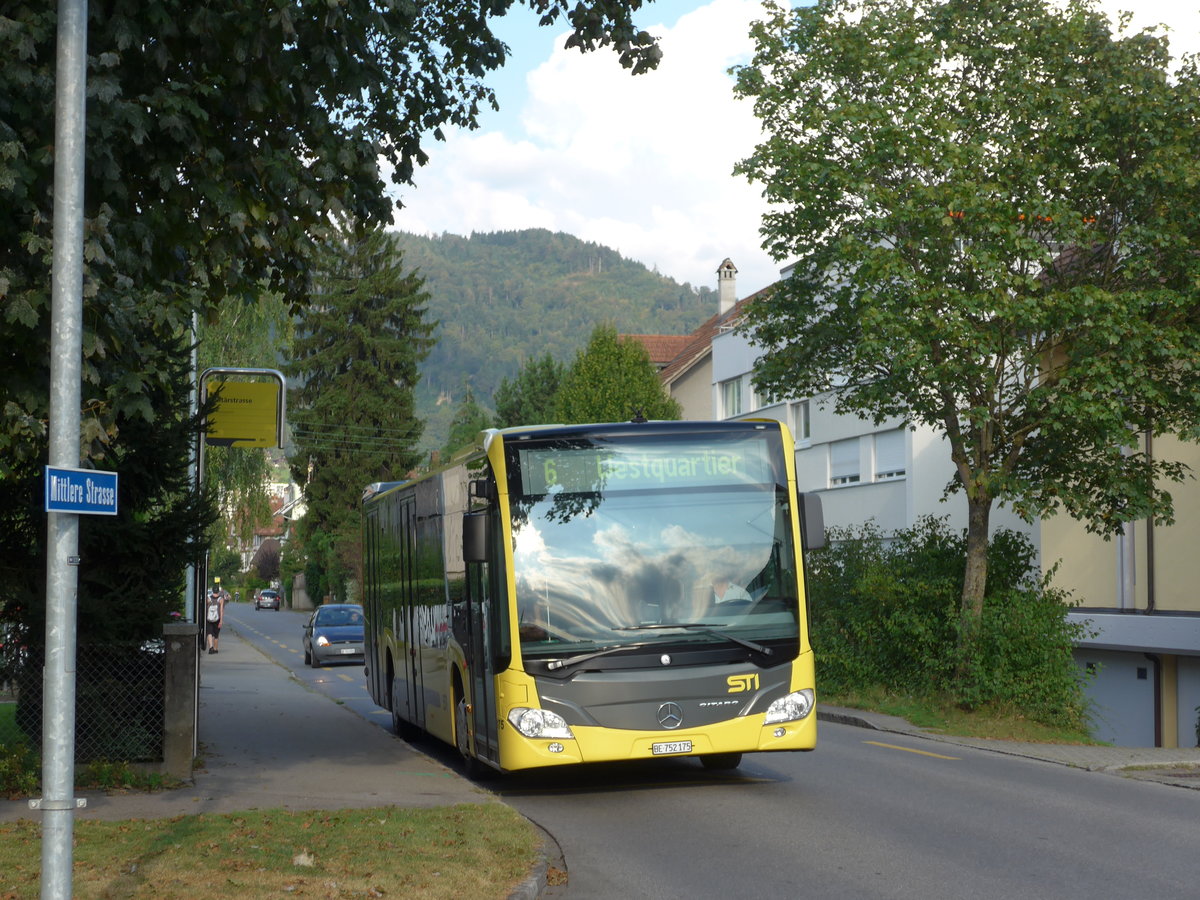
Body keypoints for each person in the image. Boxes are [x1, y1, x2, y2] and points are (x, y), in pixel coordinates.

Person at [204, 587, 224, 654]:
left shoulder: (208, 599)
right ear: (218, 591)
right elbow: (221, 611)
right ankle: (215, 649)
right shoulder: (221, 599)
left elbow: (205, 608)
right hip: (217, 619)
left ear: (212, 591)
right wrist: (221, 621)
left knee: (209, 633)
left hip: (208, 618)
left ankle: (210, 647)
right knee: (216, 634)